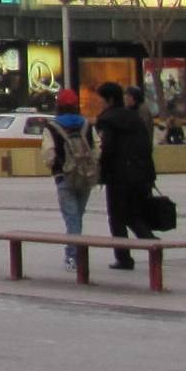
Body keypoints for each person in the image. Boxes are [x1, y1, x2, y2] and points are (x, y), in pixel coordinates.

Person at [94, 81, 158, 270]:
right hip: (141, 173)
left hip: (118, 176)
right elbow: (146, 145)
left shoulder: (107, 120)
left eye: (101, 100)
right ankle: (151, 243)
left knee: (116, 217)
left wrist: (102, 173)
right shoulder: (134, 117)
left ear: (110, 100)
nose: (100, 104)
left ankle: (123, 257)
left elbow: (108, 149)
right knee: (132, 214)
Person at [42, 88, 96, 268]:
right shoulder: (86, 124)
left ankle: (73, 256)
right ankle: (75, 251)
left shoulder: (52, 126)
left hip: (63, 176)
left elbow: (48, 153)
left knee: (71, 217)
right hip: (85, 175)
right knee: (78, 216)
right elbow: (97, 148)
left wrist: (54, 167)